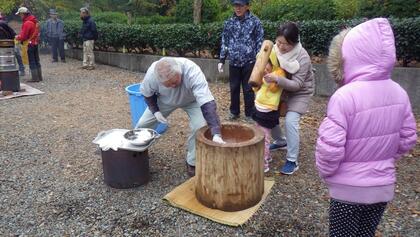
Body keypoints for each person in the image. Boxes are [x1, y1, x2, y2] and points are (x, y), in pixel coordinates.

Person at [315, 18, 417, 237]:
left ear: (347, 57)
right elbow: (408, 138)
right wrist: (385, 158)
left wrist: (327, 173)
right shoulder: (399, 92)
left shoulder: (344, 96)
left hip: (347, 190)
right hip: (382, 188)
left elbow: (329, 149)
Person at [135, 57, 225, 177]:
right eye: (167, 84)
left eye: (174, 82)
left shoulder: (192, 71)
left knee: (200, 126)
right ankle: (135, 151)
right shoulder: (152, 74)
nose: (172, 86)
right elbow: (147, 94)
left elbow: (206, 102)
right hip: (165, 100)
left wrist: (216, 132)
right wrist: (155, 111)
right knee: (143, 124)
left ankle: (192, 161)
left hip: (192, 100)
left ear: (179, 72)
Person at [264, 22, 314, 175]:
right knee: (266, 113)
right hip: (281, 89)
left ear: (294, 42)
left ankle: (292, 160)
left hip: (300, 92)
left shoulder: (302, 56)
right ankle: (280, 141)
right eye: (278, 42)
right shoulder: (275, 49)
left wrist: (277, 80)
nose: (280, 46)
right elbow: (267, 61)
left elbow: (297, 85)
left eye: (285, 44)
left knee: (291, 121)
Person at [218, 0, 264, 121]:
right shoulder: (229, 22)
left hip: (249, 61)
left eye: (241, 5)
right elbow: (225, 41)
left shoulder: (255, 22)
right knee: (234, 88)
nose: (238, 8)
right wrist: (222, 59)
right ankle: (234, 112)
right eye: (235, 5)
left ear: (247, 6)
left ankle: (250, 114)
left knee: (248, 88)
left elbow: (260, 41)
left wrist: (259, 59)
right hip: (233, 61)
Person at [252, 59, 285, 173]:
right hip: (258, 108)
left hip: (268, 111)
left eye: (267, 68)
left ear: (272, 66)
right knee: (257, 134)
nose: (265, 70)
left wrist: (268, 77)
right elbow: (255, 88)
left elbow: (273, 88)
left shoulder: (277, 75)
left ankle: (263, 164)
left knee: (264, 138)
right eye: (263, 68)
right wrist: (258, 79)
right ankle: (267, 156)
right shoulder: (261, 75)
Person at [15, 7, 43, 82]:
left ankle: (35, 78)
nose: (20, 16)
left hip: (29, 44)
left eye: (20, 15)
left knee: (32, 61)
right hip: (35, 43)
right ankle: (40, 77)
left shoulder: (27, 23)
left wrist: (18, 37)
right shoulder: (34, 21)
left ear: (23, 14)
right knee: (37, 60)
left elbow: (24, 36)